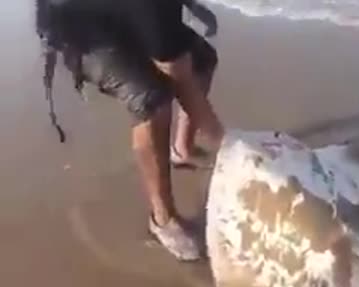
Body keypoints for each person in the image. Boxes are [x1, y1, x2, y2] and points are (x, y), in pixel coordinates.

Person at [35, 0, 225, 261]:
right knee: (150, 97)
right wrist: (229, 145)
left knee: (202, 60)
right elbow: (174, 68)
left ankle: (183, 149)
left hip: (119, 9)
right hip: (80, 30)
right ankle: (163, 219)